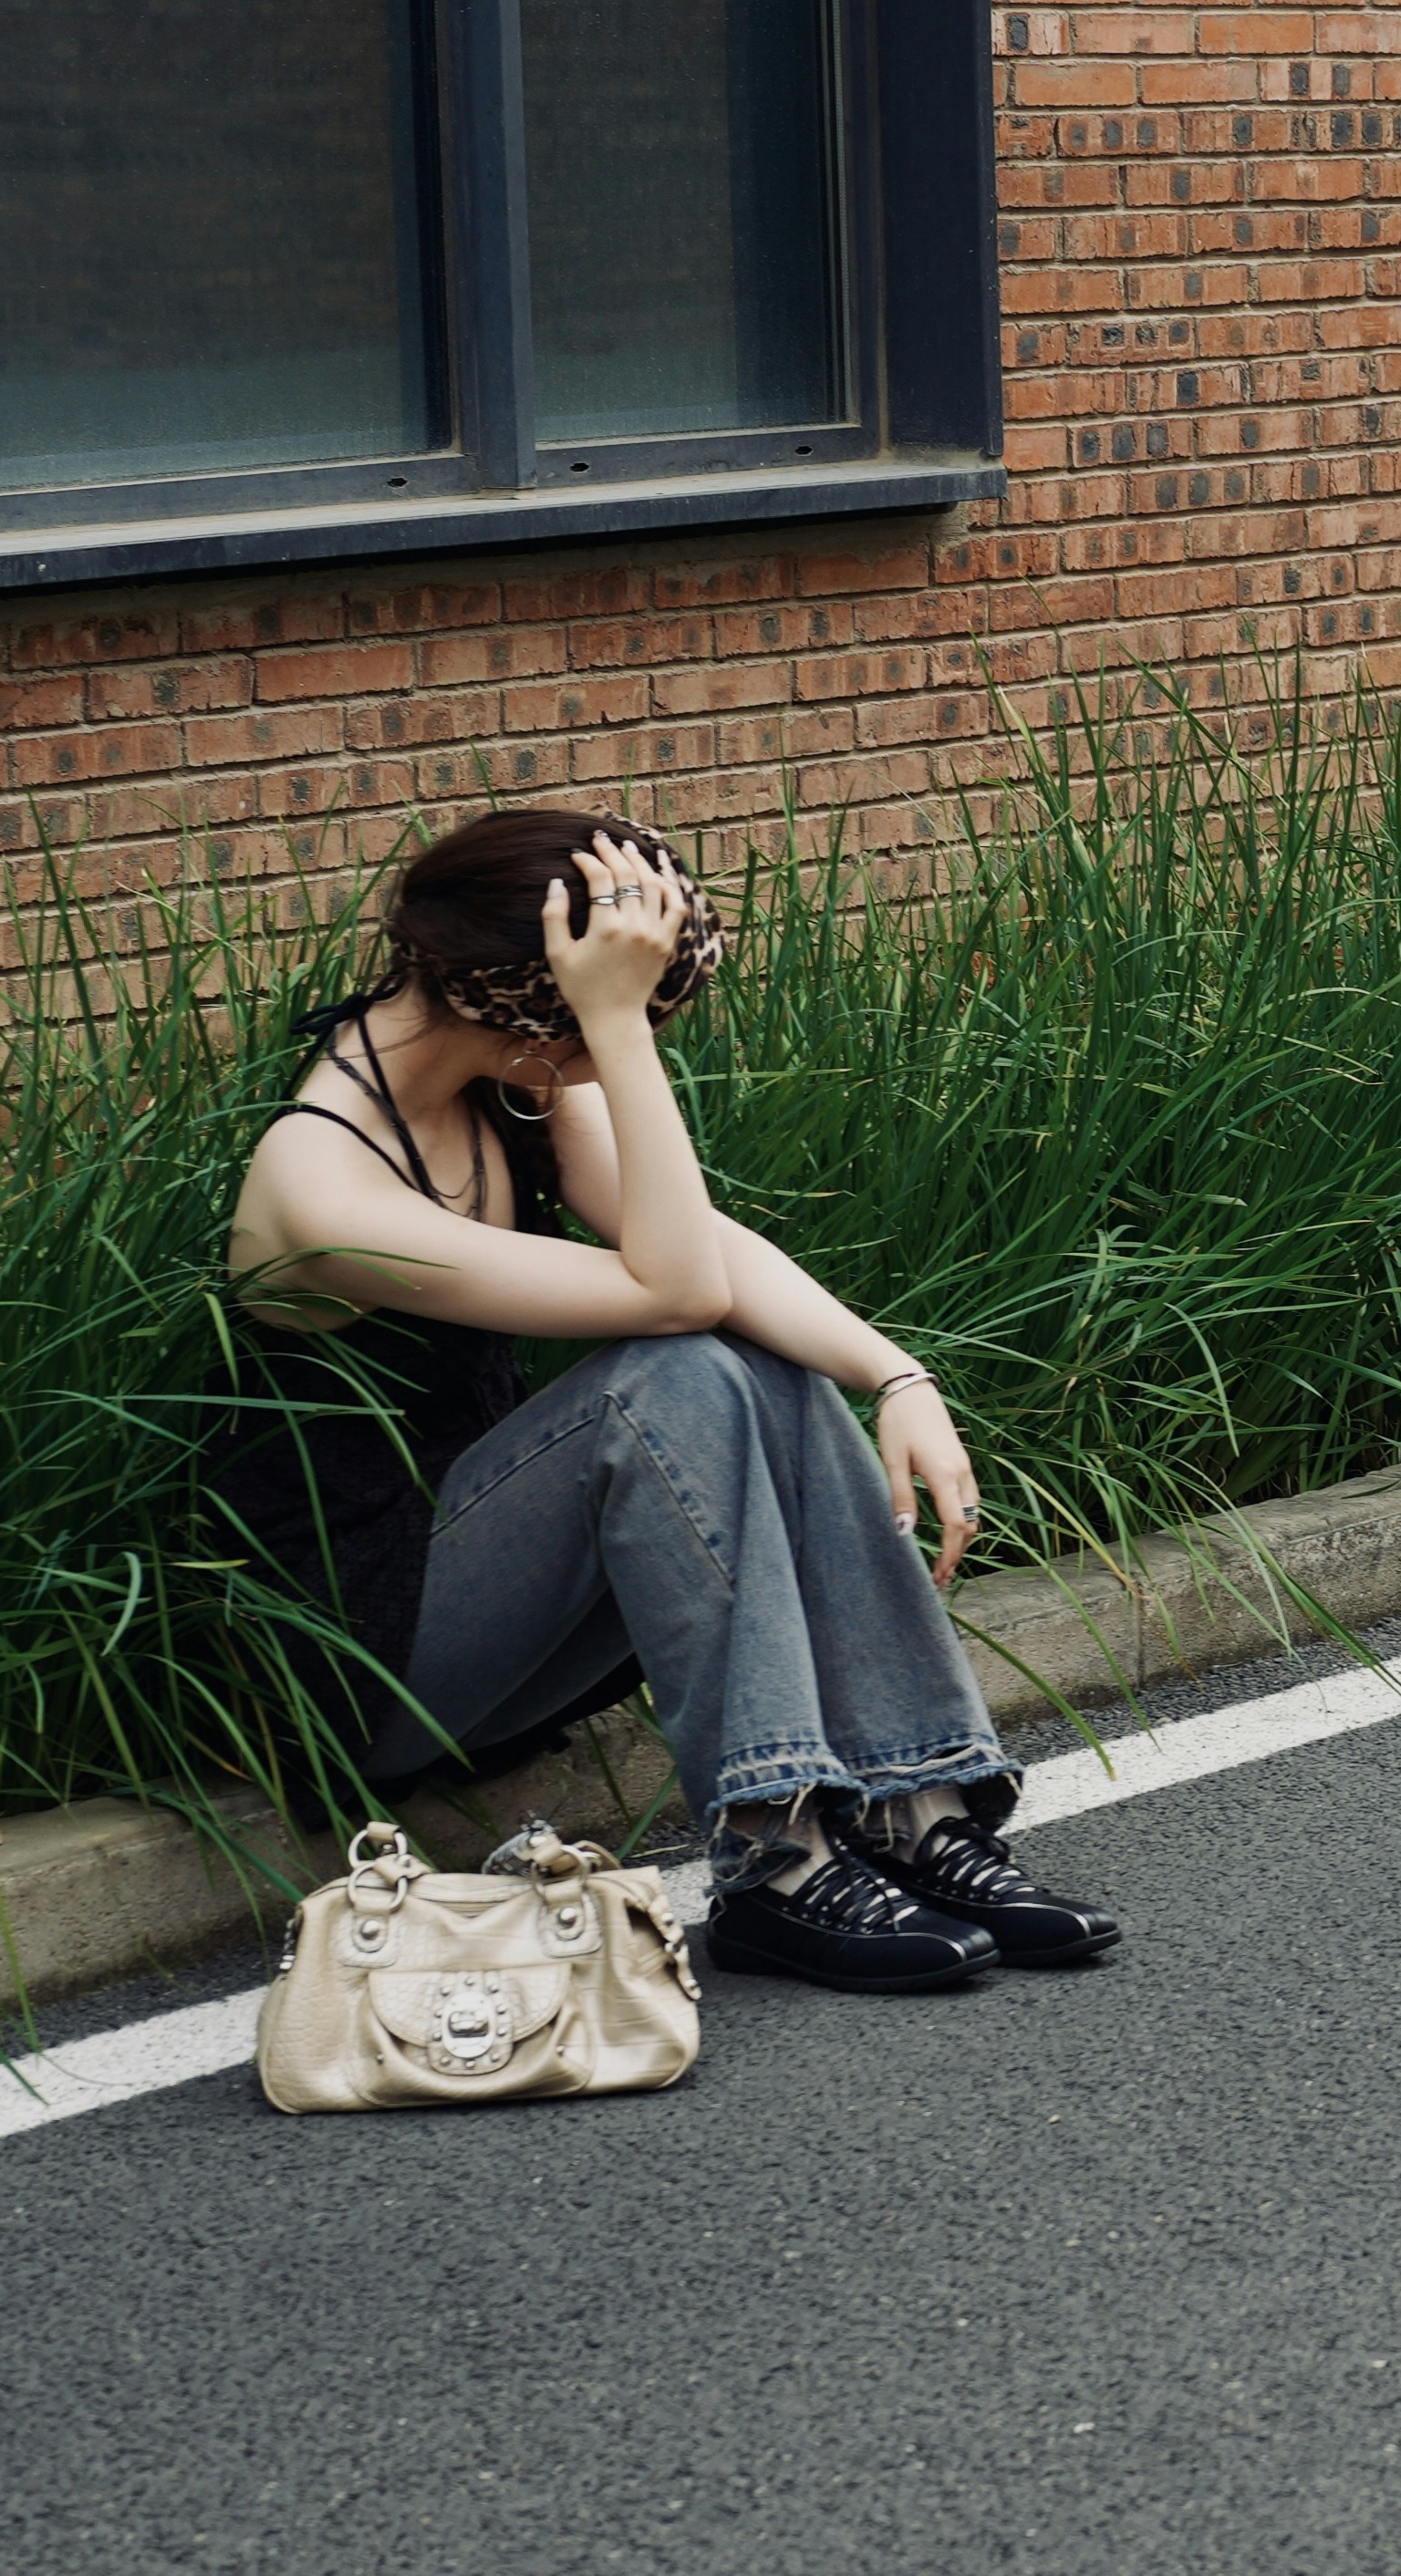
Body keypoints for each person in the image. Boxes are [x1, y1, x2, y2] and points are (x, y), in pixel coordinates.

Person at [209, 808, 1119, 1993]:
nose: (625, 1045)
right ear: (532, 1009)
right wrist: (615, 1027)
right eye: (611, 1016)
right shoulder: (317, 1182)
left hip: (492, 1603)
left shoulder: (510, 1085)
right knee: (676, 1369)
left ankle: (914, 1808)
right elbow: (678, 1290)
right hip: (359, 1657)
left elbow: (709, 1258)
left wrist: (896, 1373)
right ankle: (776, 1862)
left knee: (766, 1360)